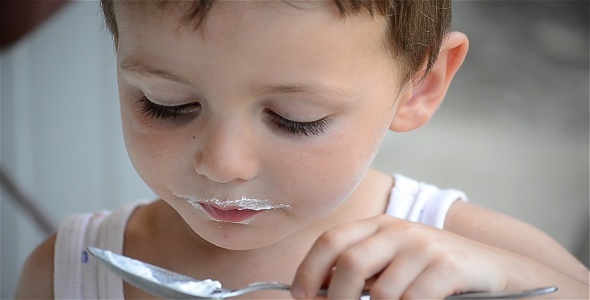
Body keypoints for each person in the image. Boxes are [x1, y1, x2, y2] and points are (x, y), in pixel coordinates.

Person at [15, 0, 589, 299]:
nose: (222, 163)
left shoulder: (480, 255)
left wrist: (513, 283)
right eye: (166, 105)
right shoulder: (71, 271)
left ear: (421, 86)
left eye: (296, 119)